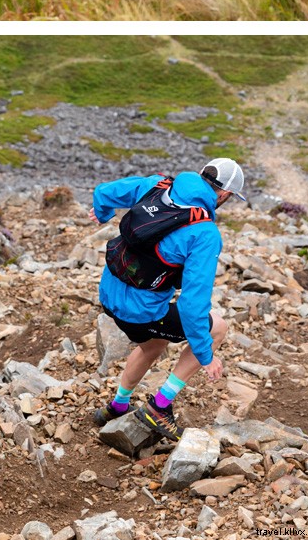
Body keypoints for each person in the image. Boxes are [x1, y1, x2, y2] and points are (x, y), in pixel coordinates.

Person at [87, 157, 248, 441]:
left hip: (108, 294)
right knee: (217, 328)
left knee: (154, 344)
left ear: (201, 174)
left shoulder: (157, 185)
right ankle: (159, 407)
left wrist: (102, 214)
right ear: (224, 194)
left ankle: (118, 406)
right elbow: (192, 305)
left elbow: (103, 192)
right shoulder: (205, 233)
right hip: (139, 312)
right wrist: (206, 356)